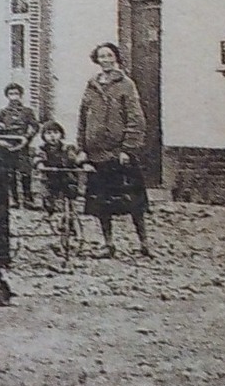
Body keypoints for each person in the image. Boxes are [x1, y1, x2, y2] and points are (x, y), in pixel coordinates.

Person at [77, 42, 150, 258]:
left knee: (133, 202)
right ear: (96, 60)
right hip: (96, 155)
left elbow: (136, 118)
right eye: (101, 56)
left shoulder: (126, 84)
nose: (106, 60)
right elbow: (83, 118)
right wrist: (82, 148)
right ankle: (108, 244)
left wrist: (128, 148)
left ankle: (144, 243)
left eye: (109, 55)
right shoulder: (91, 85)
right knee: (101, 203)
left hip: (118, 155)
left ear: (116, 58)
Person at [0, 82, 41, 208]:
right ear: (7, 96)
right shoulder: (2, 113)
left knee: (25, 172)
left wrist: (28, 137)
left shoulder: (27, 112)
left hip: (23, 145)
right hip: (8, 146)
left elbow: (35, 126)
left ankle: (28, 199)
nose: (14, 96)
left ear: (21, 95)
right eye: (11, 94)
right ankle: (13, 199)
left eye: (16, 94)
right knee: (10, 172)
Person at [33, 121, 88, 208]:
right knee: (48, 196)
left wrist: (82, 163)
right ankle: (50, 213)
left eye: (56, 133)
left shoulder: (67, 148)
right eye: (48, 133)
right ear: (43, 136)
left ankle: (70, 211)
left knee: (72, 191)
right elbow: (38, 158)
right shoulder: (42, 149)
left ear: (61, 134)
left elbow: (77, 157)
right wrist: (40, 165)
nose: (52, 136)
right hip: (50, 176)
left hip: (67, 175)